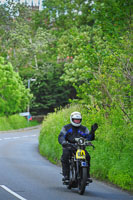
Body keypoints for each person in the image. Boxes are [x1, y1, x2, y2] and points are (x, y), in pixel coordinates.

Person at [58, 111, 98, 182]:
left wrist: (92, 131)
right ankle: (66, 175)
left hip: (80, 147)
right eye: (75, 120)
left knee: (87, 156)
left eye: (78, 120)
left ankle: (87, 176)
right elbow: (61, 136)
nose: (77, 121)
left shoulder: (84, 128)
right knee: (65, 156)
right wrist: (63, 142)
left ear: (81, 120)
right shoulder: (66, 127)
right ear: (72, 119)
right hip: (69, 146)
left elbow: (89, 138)